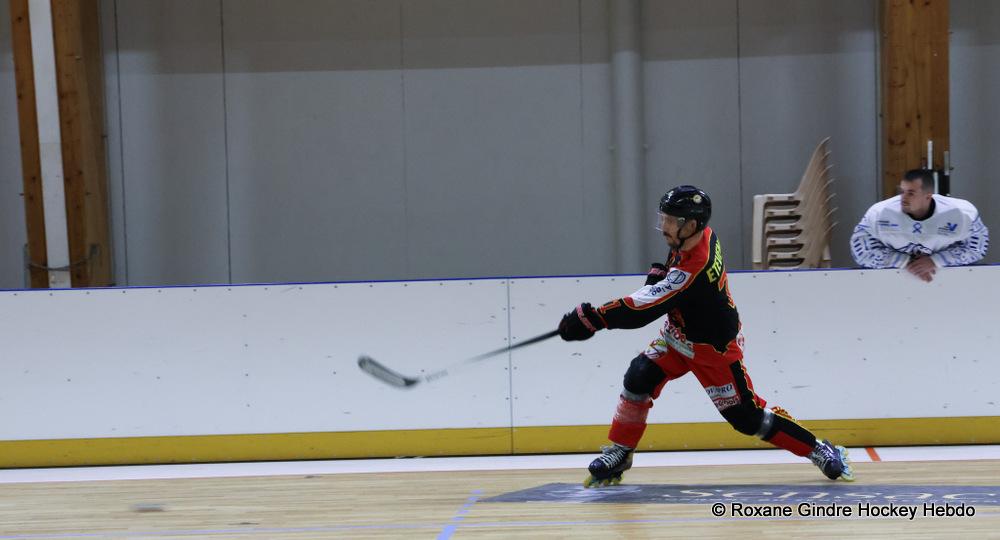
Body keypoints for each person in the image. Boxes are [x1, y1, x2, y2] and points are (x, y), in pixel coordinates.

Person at [558, 185, 854, 488]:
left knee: (746, 418)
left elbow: (641, 310)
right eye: (663, 218)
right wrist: (660, 277)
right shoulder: (703, 235)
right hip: (678, 337)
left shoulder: (693, 268)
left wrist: (592, 319)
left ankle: (818, 448)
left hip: (713, 351)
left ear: (691, 225)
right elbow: (669, 284)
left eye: (671, 221)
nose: (664, 226)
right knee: (639, 376)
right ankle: (621, 451)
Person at [851, 169, 989, 282]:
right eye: (902, 191)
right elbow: (861, 251)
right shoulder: (878, 213)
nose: (903, 198)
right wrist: (905, 262)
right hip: (890, 283)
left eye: (911, 193)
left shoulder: (962, 213)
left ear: (928, 196)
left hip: (948, 283)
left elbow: (977, 248)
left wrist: (936, 261)